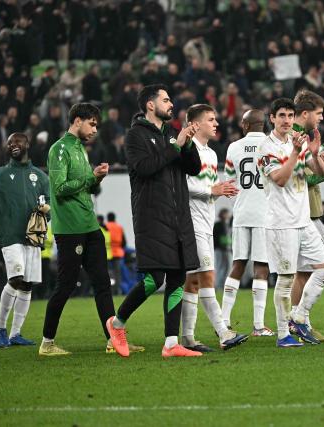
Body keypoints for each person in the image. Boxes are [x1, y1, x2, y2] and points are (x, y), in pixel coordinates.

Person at [106, 84, 203, 358]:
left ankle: (171, 343)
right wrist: (176, 144)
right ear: (150, 105)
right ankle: (117, 324)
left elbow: (193, 168)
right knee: (153, 278)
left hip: (178, 216)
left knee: (177, 277)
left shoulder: (172, 133)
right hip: (151, 217)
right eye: (166, 100)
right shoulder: (135, 135)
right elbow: (146, 168)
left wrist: (188, 142)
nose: (171, 104)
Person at [39, 103, 118, 356]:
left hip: (89, 224)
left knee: (102, 283)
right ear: (76, 121)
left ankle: (114, 340)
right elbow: (60, 188)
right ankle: (47, 343)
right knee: (66, 284)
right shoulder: (59, 149)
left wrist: (97, 180)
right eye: (92, 123)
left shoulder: (81, 150)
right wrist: (89, 178)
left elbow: (86, 190)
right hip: (70, 227)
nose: (95, 129)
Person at [257, 96, 324, 348]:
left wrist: (313, 152)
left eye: (290, 115)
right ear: (272, 119)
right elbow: (279, 178)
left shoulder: (295, 141)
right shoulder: (266, 147)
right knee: (287, 278)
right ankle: (282, 334)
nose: (287, 120)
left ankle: (299, 316)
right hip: (281, 222)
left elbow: (320, 171)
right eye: (282, 116)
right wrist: (296, 152)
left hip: (303, 220)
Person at [180, 103, 248, 353]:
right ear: (195, 124)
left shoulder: (210, 153)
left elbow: (206, 189)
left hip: (205, 222)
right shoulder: (187, 150)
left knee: (193, 282)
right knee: (207, 275)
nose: (216, 123)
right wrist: (213, 190)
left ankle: (187, 337)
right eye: (211, 119)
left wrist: (219, 191)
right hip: (191, 223)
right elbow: (182, 186)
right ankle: (223, 332)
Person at [288, 90, 324, 343]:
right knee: (319, 268)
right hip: (302, 214)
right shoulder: (292, 138)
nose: (321, 118)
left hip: (312, 212)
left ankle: (300, 322)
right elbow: (296, 179)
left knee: (306, 272)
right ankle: (298, 320)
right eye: (319, 113)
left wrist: (321, 164)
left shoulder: (305, 138)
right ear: (306, 113)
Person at [0, 133, 50, 347]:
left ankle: (16, 334)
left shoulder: (41, 177)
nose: (13, 145)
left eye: (17, 141)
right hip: (11, 236)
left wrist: (46, 212)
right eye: (9, 143)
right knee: (15, 279)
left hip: (33, 239)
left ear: (27, 143)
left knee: (26, 285)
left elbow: (49, 206)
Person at [221, 109, 274, 336]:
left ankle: (223, 321)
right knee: (261, 267)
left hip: (242, 213)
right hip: (265, 213)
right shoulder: (272, 145)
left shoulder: (233, 147)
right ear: (262, 124)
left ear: (246, 125)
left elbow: (229, 180)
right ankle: (258, 325)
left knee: (238, 264)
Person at [105, 212, 126, 295]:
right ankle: (118, 291)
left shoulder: (105, 226)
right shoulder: (119, 227)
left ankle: (110, 291)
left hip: (107, 253)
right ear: (114, 218)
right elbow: (124, 242)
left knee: (108, 273)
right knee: (117, 274)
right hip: (118, 253)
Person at [213, 208, 232, 289]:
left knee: (228, 267)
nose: (227, 215)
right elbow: (216, 237)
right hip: (219, 249)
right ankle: (218, 285)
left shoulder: (228, 225)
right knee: (220, 267)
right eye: (226, 213)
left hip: (227, 250)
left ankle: (224, 285)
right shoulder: (217, 224)